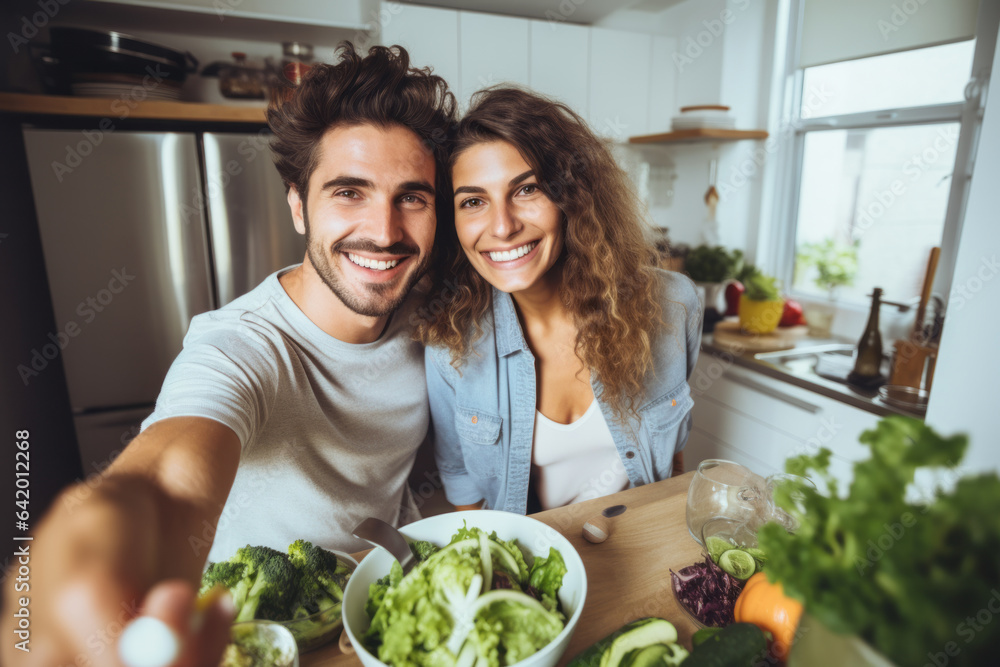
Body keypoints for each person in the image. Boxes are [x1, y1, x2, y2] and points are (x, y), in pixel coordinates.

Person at [1, 44, 456, 666]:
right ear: (298, 204)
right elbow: (167, 481)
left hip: (375, 607)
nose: (384, 230)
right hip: (260, 631)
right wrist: (88, 553)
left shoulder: (432, 313)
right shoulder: (239, 345)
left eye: (412, 197)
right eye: (349, 192)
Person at [419, 87, 702, 515]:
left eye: (527, 190)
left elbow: (673, 456)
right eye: (474, 201)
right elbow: (463, 487)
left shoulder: (672, 305)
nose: (502, 226)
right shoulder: (450, 342)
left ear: (572, 196)